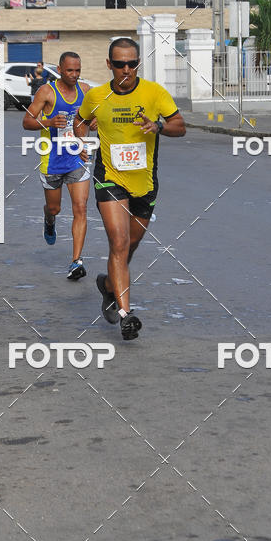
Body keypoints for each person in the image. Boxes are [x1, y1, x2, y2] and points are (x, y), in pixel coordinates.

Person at [74, 37, 186, 341]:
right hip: (109, 178)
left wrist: (158, 126)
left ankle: (108, 286)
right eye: (120, 64)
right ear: (109, 65)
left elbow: (180, 125)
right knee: (119, 242)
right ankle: (126, 314)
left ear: (138, 64)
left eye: (132, 63)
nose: (126, 69)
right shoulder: (96, 95)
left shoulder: (154, 93)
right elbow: (80, 121)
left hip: (144, 183)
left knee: (129, 247)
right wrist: (82, 141)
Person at [23, 51, 96, 281]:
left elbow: (92, 119)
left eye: (78, 70)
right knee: (55, 208)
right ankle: (49, 219)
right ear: (60, 70)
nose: (74, 75)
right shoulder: (47, 91)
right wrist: (49, 122)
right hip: (52, 159)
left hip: (77, 157)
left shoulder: (85, 90)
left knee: (81, 208)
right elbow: (27, 121)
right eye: (70, 70)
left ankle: (76, 261)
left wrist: (94, 123)